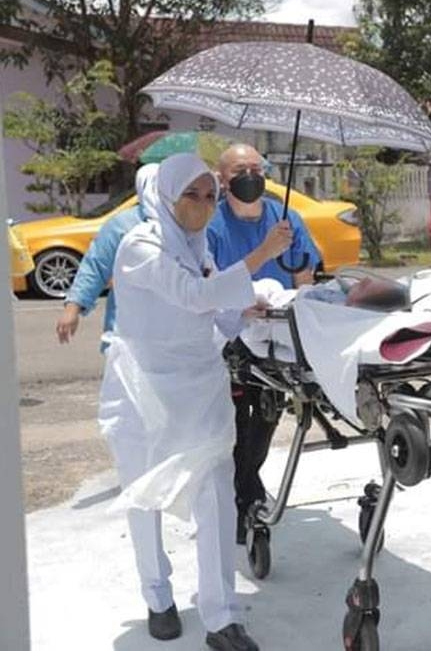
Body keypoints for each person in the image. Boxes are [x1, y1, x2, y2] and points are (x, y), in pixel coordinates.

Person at [99, 153, 292, 650]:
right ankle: (158, 595)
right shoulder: (140, 245)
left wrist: (244, 309)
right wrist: (258, 257)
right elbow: (190, 296)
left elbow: (215, 315)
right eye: (193, 195)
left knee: (216, 498)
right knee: (146, 497)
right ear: (167, 196)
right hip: (146, 390)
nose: (204, 207)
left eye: (210, 197)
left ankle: (222, 617)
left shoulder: (197, 245)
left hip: (200, 385)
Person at [208, 143, 320, 544]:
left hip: (282, 335)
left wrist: (304, 303)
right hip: (234, 335)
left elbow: (306, 270)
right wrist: (264, 253)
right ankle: (244, 497)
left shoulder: (285, 218)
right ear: (223, 179)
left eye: (257, 167)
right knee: (241, 421)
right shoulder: (212, 226)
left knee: (266, 419)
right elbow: (211, 287)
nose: (251, 175)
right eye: (241, 169)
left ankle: (247, 484)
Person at [56, 164, 159, 348]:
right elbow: (96, 266)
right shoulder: (122, 225)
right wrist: (72, 308)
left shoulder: (187, 225)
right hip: (128, 327)